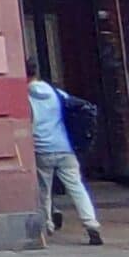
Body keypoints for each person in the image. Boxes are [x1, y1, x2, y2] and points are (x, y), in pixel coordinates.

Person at [26, 58, 102, 245]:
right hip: (64, 148)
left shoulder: (24, 96)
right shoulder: (56, 92)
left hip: (41, 149)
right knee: (77, 187)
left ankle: (48, 224)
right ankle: (91, 224)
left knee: (44, 190)